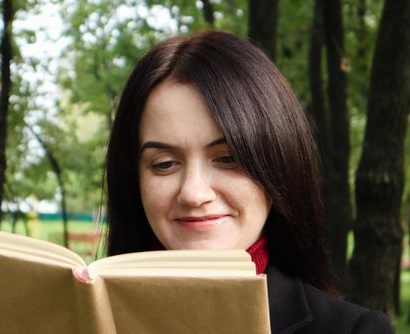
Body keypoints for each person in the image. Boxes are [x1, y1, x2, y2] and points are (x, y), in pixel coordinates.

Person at [104, 30, 393, 333]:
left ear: (277, 164)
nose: (194, 193)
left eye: (228, 158)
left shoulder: (353, 330)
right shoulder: (89, 319)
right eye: (164, 164)